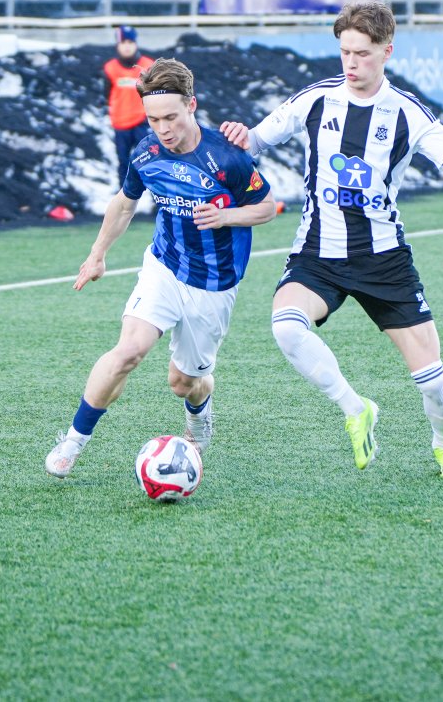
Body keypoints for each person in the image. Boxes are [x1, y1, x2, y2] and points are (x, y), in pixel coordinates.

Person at [218, 1, 443, 478]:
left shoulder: (406, 112)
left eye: (362, 53)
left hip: (384, 260)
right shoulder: (316, 99)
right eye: (345, 52)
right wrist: (241, 135)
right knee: (286, 327)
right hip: (318, 251)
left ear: (387, 51)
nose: (351, 63)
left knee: (432, 381)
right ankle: (356, 408)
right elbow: (255, 140)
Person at [45, 57, 278, 478]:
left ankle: (199, 415)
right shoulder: (146, 153)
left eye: (171, 117)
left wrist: (226, 216)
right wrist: (97, 254)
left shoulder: (227, 156)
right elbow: (124, 204)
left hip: (214, 282)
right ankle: (73, 441)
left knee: (182, 383)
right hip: (164, 265)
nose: (163, 129)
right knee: (128, 351)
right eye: (153, 120)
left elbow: (266, 207)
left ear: (192, 105)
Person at [103, 25, 154, 183]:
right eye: (123, 42)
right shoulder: (110, 68)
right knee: (123, 162)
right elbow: (107, 93)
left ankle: (153, 192)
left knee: (147, 160)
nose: (127, 46)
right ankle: (123, 192)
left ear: (135, 44)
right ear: (117, 45)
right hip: (120, 123)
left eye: (130, 42)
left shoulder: (148, 66)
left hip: (142, 121)